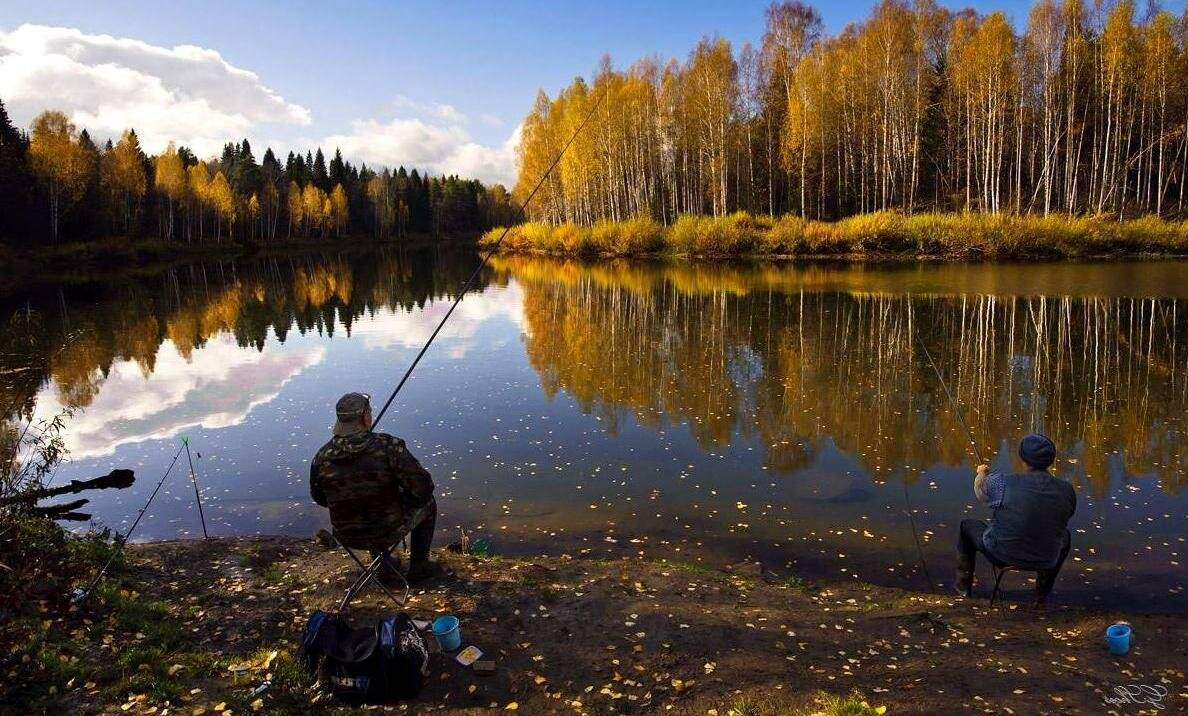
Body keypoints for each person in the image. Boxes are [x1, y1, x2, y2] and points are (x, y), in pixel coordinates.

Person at [310, 392, 438, 583]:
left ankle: (384, 566)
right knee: (428, 504)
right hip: (387, 531)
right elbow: (424, 488)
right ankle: (419, 567)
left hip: (347, 536)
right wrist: (401, 496)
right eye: (369, 411)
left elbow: (320, 498)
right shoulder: (388, 447)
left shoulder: (321, 457)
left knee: (368, 505)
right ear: (364, 417)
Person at [955, 433, 1076, 605]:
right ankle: (1041, 595)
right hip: (1046, 559)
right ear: (1051, 460)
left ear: (1023, 458)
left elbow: (980, 492)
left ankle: (962, 590)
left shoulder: (1003, 482)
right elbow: (1066, 515)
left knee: (966, 527)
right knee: (1065, 536)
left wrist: (982, 473)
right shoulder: (1067, 490)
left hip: (1002, 554)